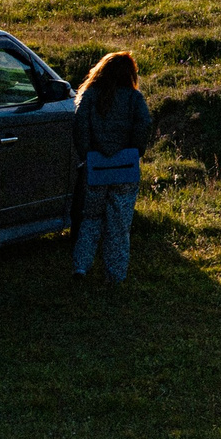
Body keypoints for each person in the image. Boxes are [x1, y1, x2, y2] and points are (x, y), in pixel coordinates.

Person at [72, 50, 154, 286]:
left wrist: (87, 153)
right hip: (124, 168)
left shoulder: (89, 95)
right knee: (119, 225)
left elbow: (79, 126)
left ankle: (81, 265)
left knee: (90, 218)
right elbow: (143, 125)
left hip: (95, 166)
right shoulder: (133, 99)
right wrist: (135, 150)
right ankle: (115, 275)